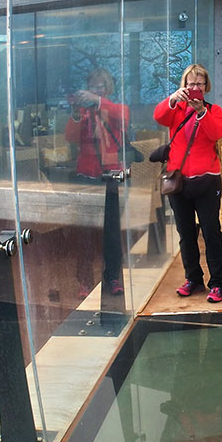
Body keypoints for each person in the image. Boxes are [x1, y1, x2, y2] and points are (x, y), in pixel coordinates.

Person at [153, 63, 222, 303]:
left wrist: (201, 112)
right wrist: (172, 99)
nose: (195, 87)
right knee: (185, 233)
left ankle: (217, 284)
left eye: (199, 83)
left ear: (206, 87)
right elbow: (159, 116)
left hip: (207, 181)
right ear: (184, 85)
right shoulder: (176, 109)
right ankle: (193, 279)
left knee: (211, 232)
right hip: (179, 182)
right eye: (191, 83)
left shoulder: (213, 110)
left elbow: (216, 134)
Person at [65, 68, 131, 301]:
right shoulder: (83, 113)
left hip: (110, 175)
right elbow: (70, 137)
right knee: (86, 233)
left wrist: (98, 101)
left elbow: (123, 117)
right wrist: (75, 112)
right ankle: (85, 279)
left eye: (101, 86)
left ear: (108, 88)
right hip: (86, 174)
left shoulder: (115, 108)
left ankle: (113, 277)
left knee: (112, 234)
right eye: (93, 86)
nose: (97, 90)